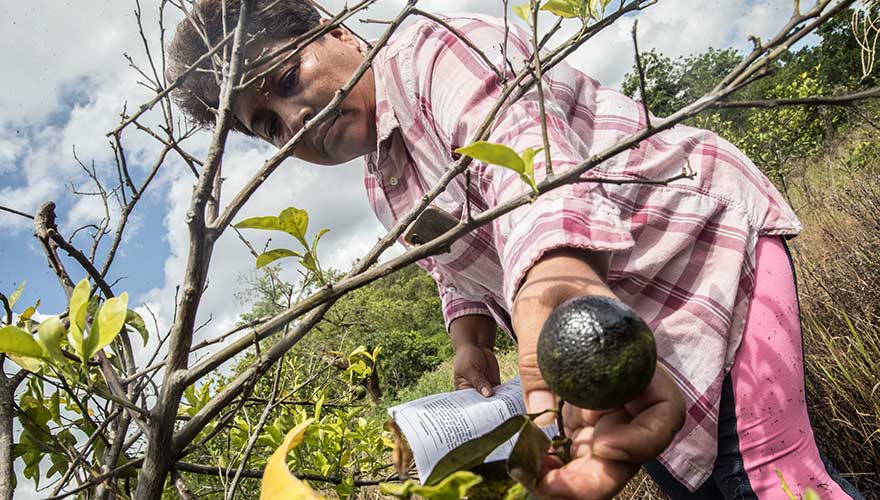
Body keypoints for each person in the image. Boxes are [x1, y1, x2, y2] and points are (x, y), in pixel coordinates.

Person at [166, 2, 865, 499]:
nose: (294, 121)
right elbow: (454, 265)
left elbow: (531, 156)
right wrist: (470, 339)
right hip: (612, 333)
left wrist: (555, 281)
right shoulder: (383, 183)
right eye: (265, 124)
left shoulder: (438, 52)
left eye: (287, 81)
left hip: (703, 259)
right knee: (692, 476)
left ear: (338, 30)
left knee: (775, 482)